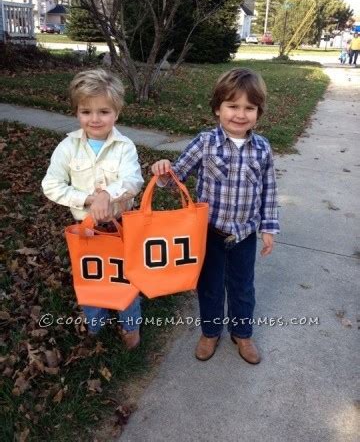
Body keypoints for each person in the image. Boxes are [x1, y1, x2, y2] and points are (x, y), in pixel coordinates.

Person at [151, 68, 279, 364]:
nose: (240, 114)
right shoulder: (205, 143)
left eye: (249, 108)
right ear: (218, 108)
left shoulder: (262, 149)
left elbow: (269, 190)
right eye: (233, 106)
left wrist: (268, 229)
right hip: (208, 233)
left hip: (244, 235)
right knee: (209, 286)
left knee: (242, 287)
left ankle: (242, 333)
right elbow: (177, 175)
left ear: (258, 112)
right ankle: (210, 332)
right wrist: (163, 170)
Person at [42, 68, 144, 349]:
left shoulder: (125, 147)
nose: (95, 119)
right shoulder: (68, 147)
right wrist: (90, 199)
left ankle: (130, 325)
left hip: (119, 226)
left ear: (117, 113)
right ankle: (95, 323)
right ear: (77, 112)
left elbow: (133, 180)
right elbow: (51, 185)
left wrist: (108, 196)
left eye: (104, 111)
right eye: (86, 111)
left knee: (125, 277)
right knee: (89, 276)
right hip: (85, 230)